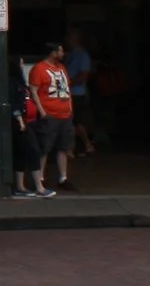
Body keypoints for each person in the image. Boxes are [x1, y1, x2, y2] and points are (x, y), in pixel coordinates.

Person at [27, 41, 77, 191]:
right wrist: (42, 111)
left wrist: (70, 108)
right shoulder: (39, 68)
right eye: (60, 51)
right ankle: (39, 178)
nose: (63, 54)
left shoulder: (61, 68)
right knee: (45, 147)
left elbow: (67, 88)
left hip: (65, 114)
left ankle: (63, 177)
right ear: (53, 52)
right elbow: (33, 90)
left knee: (64, 147)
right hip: (49, 114)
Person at [10, 54, 51, 198]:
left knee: (21, 154)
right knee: (34, 152)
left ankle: (20, 186)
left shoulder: (21, 81)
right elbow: (14, 103)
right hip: (22, 123)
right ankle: (39, 187)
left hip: (31, 121)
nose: (23, 65)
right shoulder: (12, 83)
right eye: (21, 63)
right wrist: (20, 120)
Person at [63, 26, 98, 155]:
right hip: (67, 93)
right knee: (70, 121)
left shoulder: (83, 55)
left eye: (70, 37)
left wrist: (68, 83)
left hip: (77, 93)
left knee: (77, 121)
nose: (67, 40)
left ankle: (87, 144)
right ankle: (72, 148)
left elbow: (83, 75)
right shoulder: (69, 54)